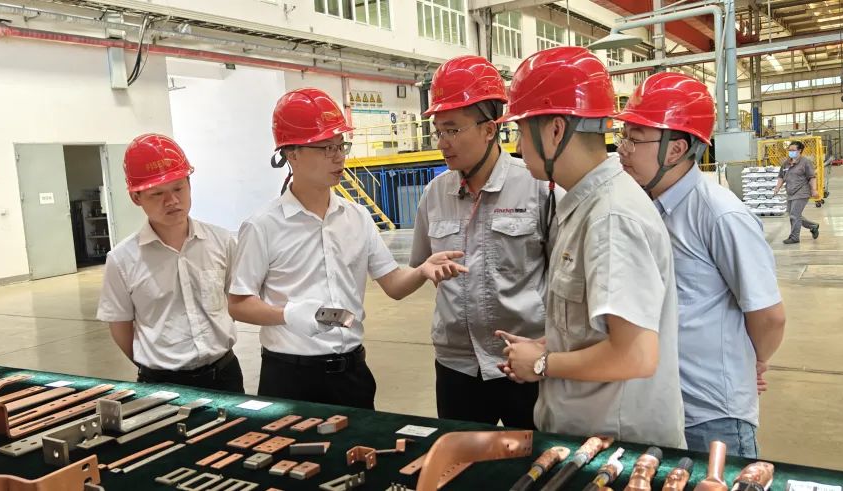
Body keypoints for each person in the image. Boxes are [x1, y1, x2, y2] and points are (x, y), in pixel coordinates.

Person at [494, 46, 686, 448]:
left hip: (615, 449)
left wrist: (543, 363)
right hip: (588, 439)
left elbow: (635, 355)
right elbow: (600, 330)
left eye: (520, 133)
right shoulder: (584, 204)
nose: (518, 149)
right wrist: (550, 345)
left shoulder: (610, 217)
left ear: (555, 131)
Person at [228, 88, 467, 409]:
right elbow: (239, 304)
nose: (339, 156)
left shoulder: (357, 217)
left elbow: (394, 285)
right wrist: (287, 315)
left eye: (341, 145)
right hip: (289, 377)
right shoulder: (263, 226)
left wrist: (422, 271)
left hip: (351, 375)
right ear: (291, 154)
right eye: (326, 148)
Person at [615, 72, 787, 457]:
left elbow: (769, 316)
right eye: (623, 136)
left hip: (712, 415)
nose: (623, 149)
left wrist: (752, 361)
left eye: (634, 139)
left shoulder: (720, 215)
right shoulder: (646, 208)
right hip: (660, 405)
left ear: (675, 150)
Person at [410, 55, 552, 429]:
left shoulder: (536, 188)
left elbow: (565, 280)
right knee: (461, 458)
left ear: (489, 130)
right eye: (438, 131)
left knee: (535, 457)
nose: (443, 142)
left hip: (522, 362)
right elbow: (421, 266)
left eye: (453, 130)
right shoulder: (434, 195)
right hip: (456, 366)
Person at [96, 133, 244, 392]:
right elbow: (120, 327)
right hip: (160, 384)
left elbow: (236, 300)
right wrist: (155, 365)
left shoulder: (221, 242)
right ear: (136, 197)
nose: (172, 201)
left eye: (178, 188)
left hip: (225, 376)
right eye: (157, 194)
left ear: (189, 184)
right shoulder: (122, 260)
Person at [773, 140, 820, 244]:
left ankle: (794, 237)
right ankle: (813, 226)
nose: (791, 152)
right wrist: (777, 187)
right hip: (790, 192)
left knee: (794, 215)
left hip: (802, 191)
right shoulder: (786, 163)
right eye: (789, 150)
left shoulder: (805, 162)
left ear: (800, 150)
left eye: (793, 150)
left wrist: (814, 190)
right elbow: (781, 176)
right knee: (793, 214)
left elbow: (812, 177)